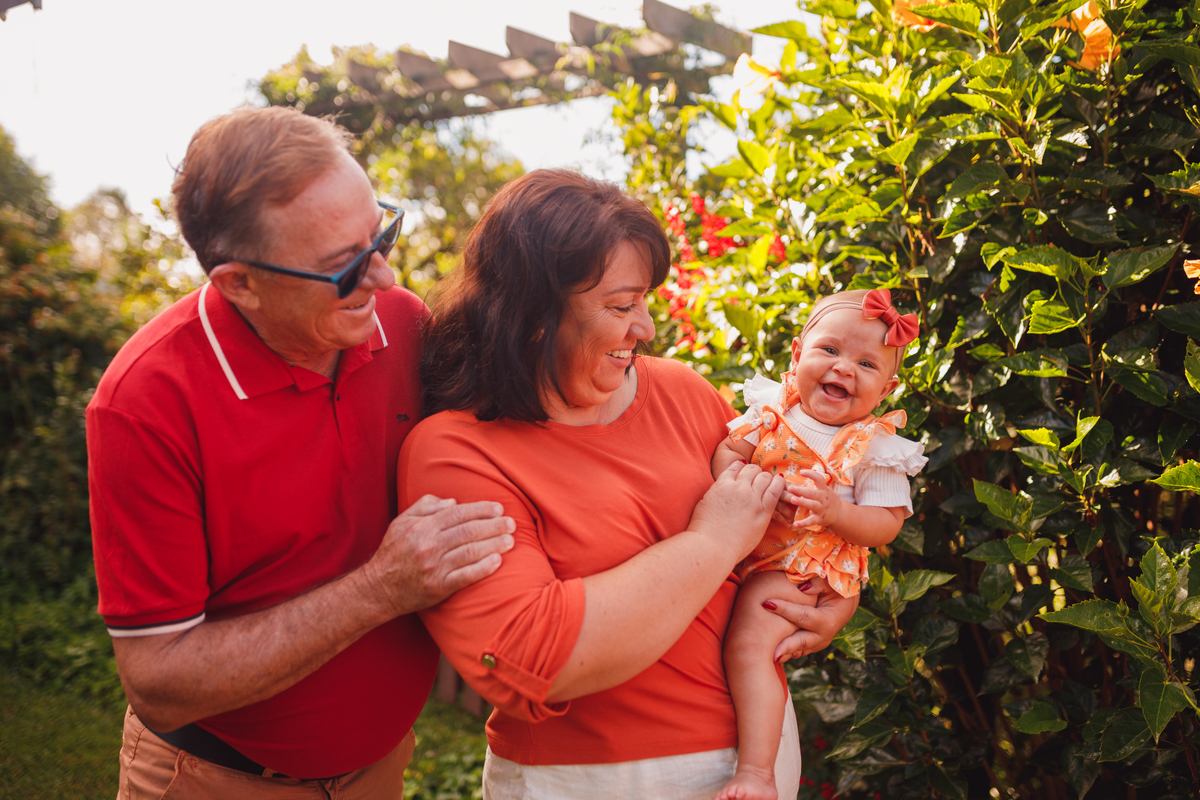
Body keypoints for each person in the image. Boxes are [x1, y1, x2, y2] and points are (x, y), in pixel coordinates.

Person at [86, 106, 515, 798]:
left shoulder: (403, 325)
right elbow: (159, 682)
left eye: (381, 234)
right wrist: (381, 589)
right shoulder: (146, 403)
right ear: (240, 283)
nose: (381, 277)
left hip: (380, 769)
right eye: (343, 268)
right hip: (215, 780)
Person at [398, 169, 860, 800]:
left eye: (645, 300)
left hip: (754, 762)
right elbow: (535, 658)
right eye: (620, 306)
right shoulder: (456, 450)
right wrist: (711, 544)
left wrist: (829, 595)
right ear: (532, 316)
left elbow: (777, 528)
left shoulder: (683, 392)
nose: (645, 327)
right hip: (588, 779)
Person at [711, 289, 928, 800]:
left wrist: (836, 511)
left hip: (800, 564)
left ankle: (757, 773)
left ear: (887, 387)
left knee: (748, 646)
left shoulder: (873, 447)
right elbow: (726, 452)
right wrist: (742, 485)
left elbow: (886, 525)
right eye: (829, 351)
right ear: (796, 353)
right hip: (750, 548)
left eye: (866, 363)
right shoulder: (771, 407)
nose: (844, 368)